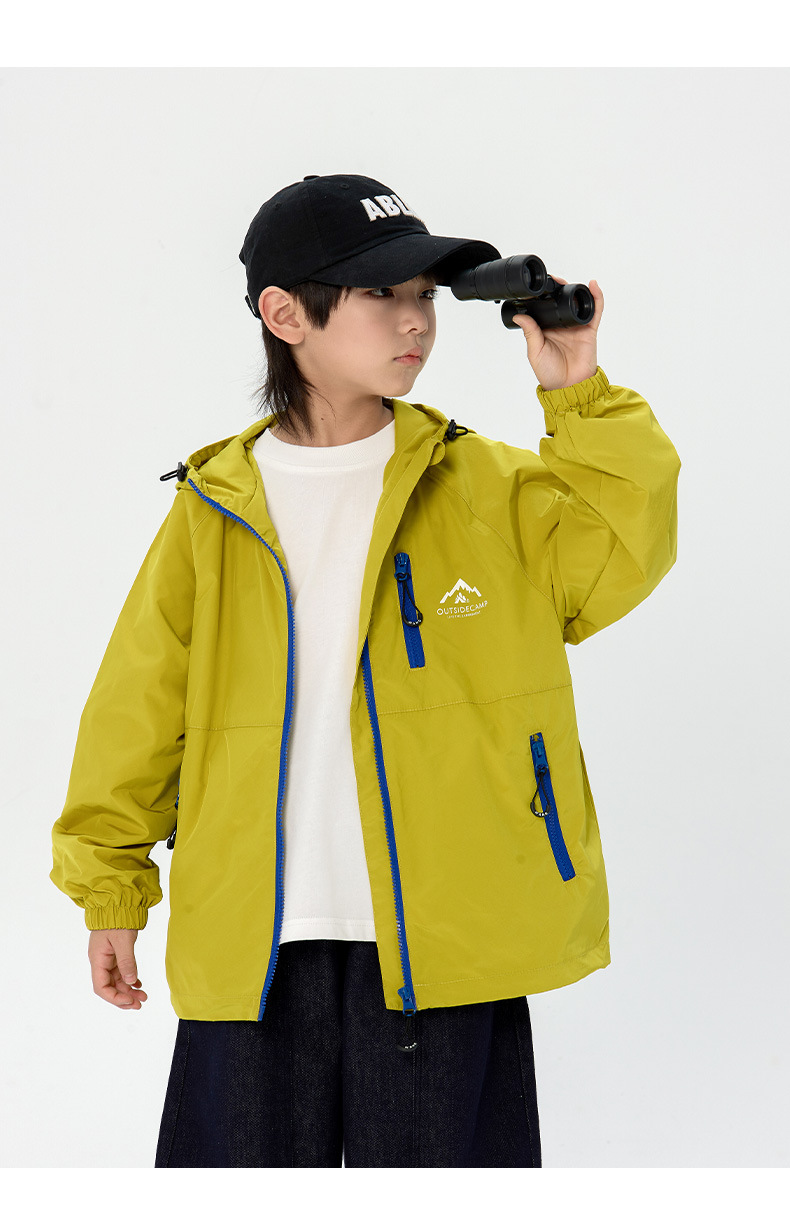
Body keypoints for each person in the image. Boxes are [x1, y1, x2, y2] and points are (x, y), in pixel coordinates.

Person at [50, 173, 681, 1167]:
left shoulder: (486, 486)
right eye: (381, 294)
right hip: (254, 943)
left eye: (424, 294)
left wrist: (577, 392)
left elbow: (618, 558)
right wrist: (111, 891)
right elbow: (138, 711)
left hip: (450, 939)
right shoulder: (213, 506)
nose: (415, 320)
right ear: (285, 314)